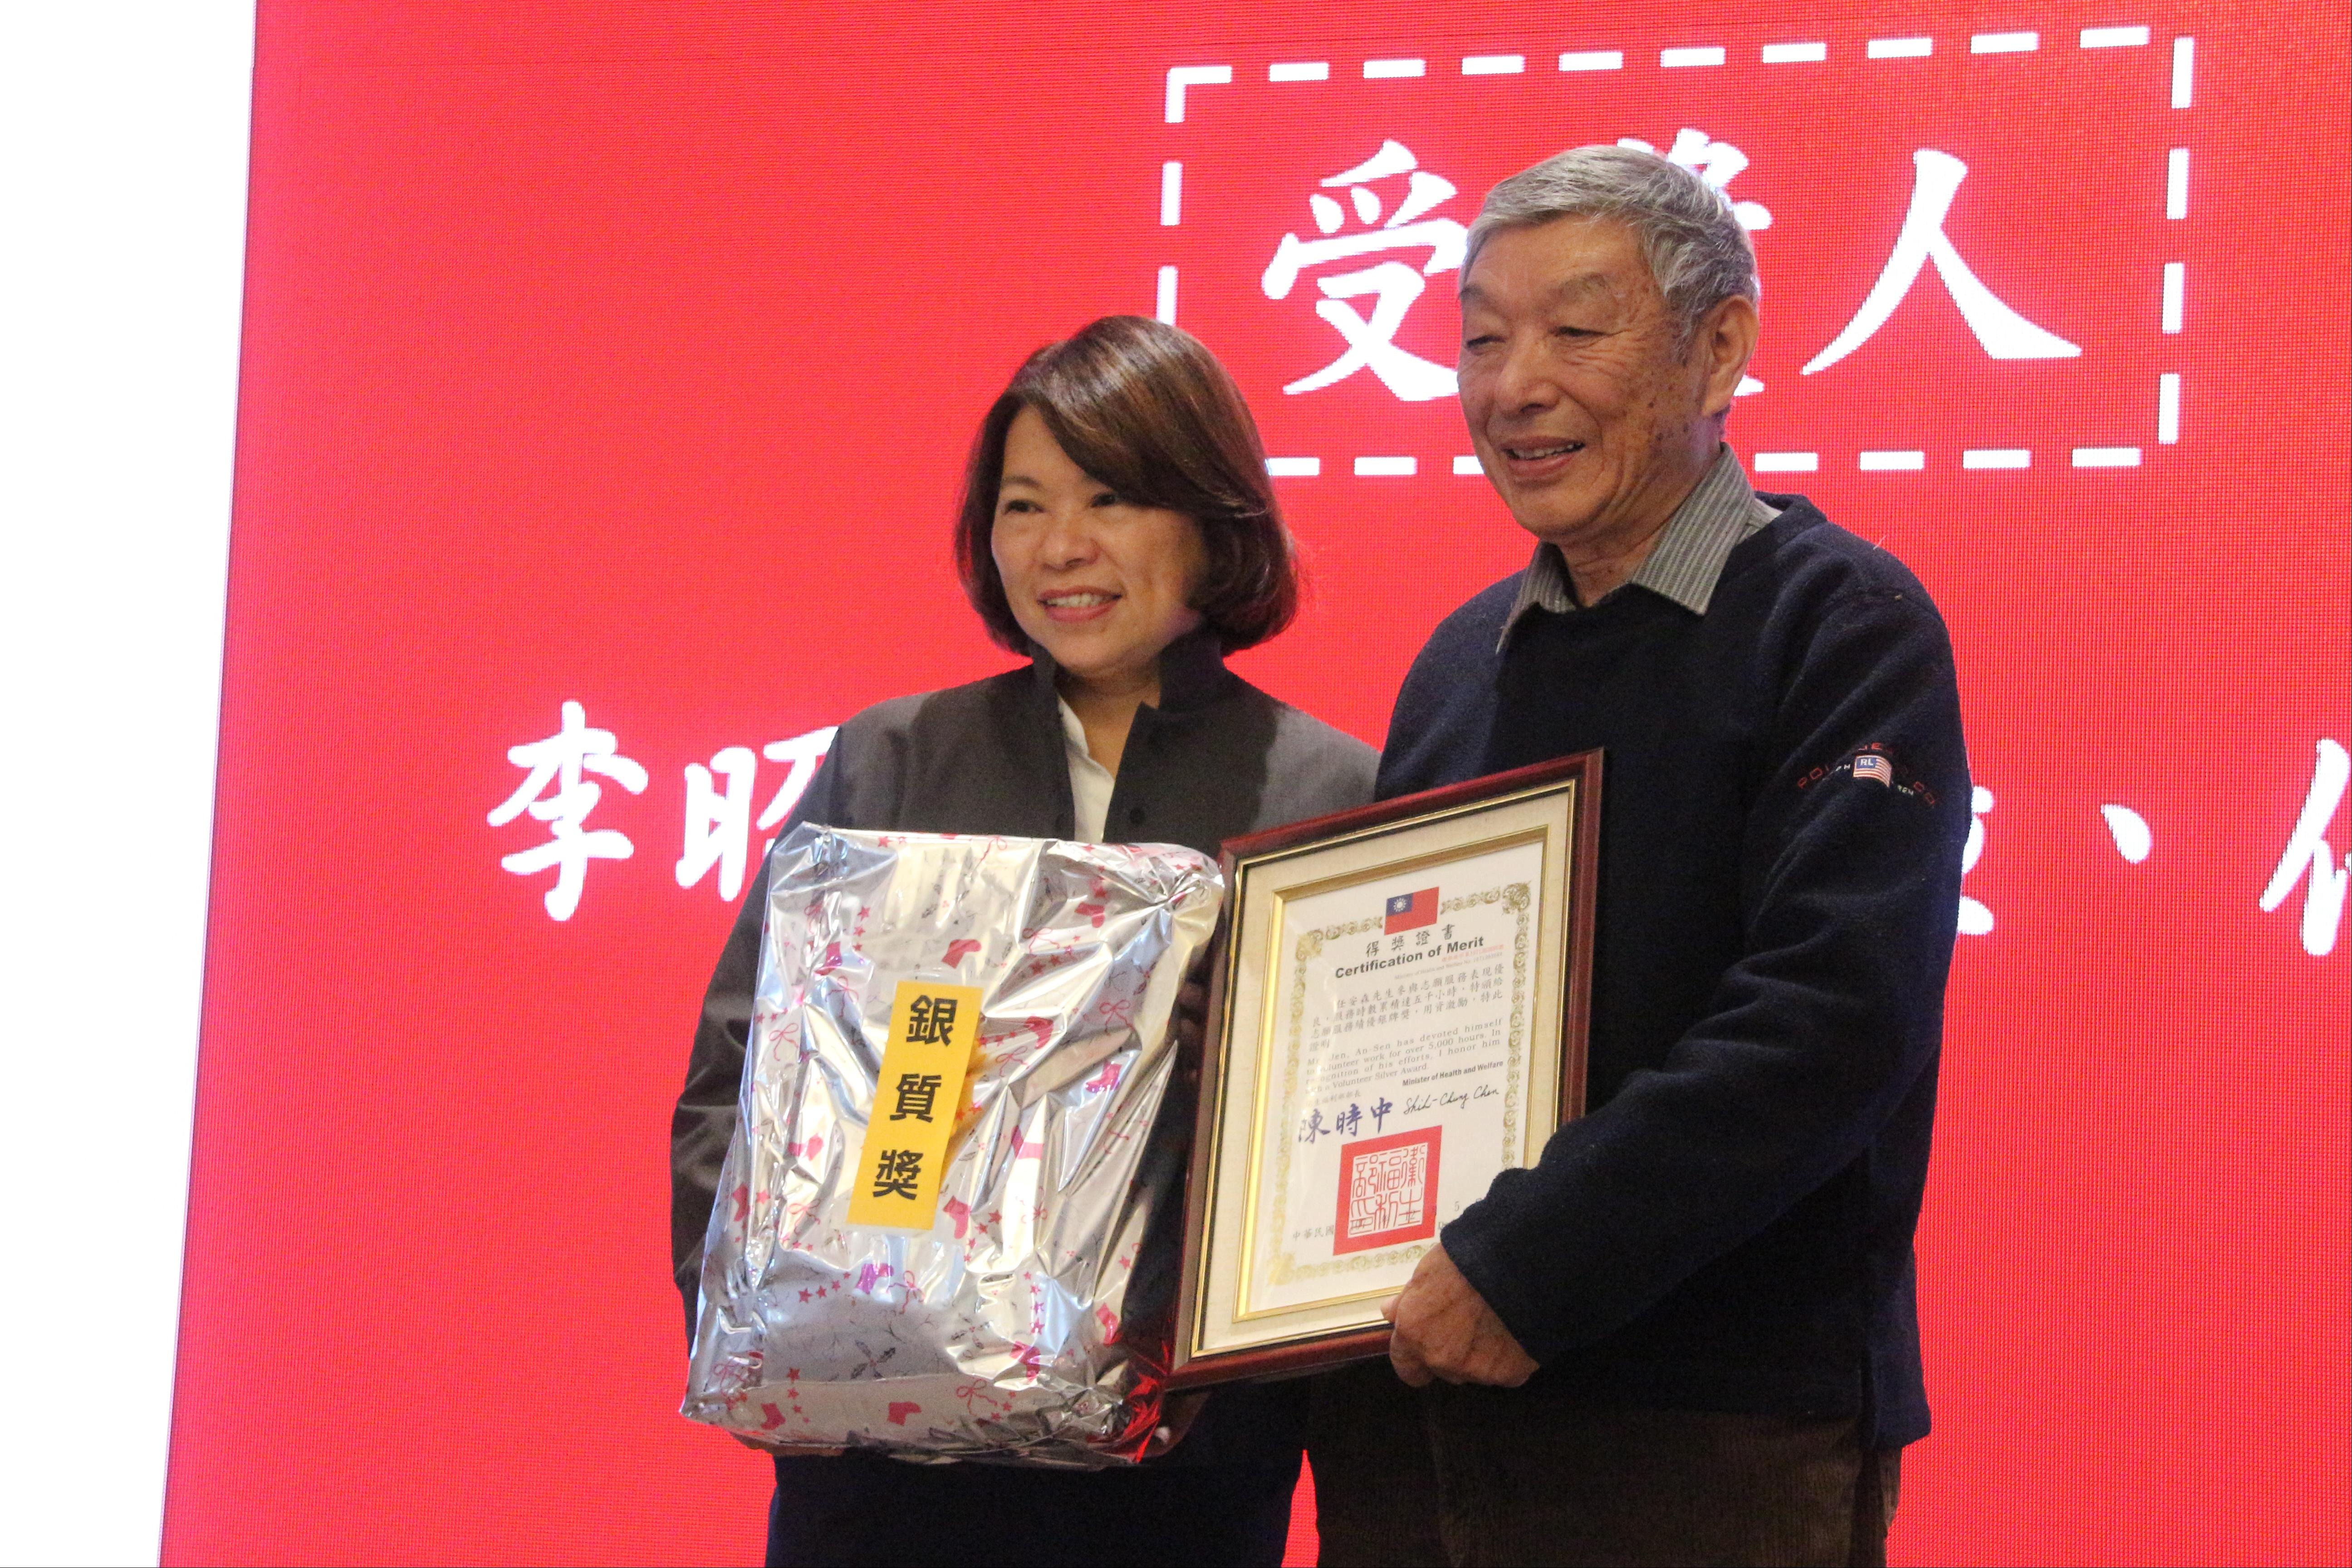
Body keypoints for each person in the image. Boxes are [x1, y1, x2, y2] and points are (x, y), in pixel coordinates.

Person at [1304, 147, 1971, 1567]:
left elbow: (1831, 1020)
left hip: (1705, 1430)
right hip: (1417, 1419)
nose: (1515, 387)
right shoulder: (1458, 664)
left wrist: (1529, 1266)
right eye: (1482, 340)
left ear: (1720, 346)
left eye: (1576, 329)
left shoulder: (1839, 623)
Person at [671, 315, 1377, 1568]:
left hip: (1183, 1486)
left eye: (1112, 499)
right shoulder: (892, 761)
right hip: (879, 1475)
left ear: (1213, 519)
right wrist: (764, 1339)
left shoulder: (1328, 792)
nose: (1061, 549)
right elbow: (740, 1082)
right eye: (1023, 506)